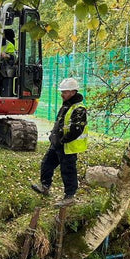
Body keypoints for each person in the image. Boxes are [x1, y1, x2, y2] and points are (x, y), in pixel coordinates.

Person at [31, 77, 88, 207]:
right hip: (57, 144)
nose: (62, 94)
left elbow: (76, 130)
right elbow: (60, 123)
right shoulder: (66, 105)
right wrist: (53, 138)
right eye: (62, 92)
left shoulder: (79, 109)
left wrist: (62, 140)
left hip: (68, 146)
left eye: (65, 92)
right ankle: (45, 186)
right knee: (47, 164)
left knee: (68, 171)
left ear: (73, 92)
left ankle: (69, 196)